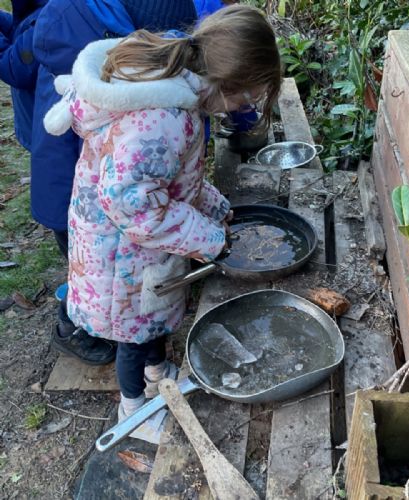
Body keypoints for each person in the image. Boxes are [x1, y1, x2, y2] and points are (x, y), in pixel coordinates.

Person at [44, 4, 281, 443]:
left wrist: (212, 204)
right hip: (121, 255)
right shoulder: (163, 120)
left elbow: (168, 182)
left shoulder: (181, 92)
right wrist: (210, 238)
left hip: (136, 246)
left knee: (150, 319)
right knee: (132, 333)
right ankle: (132, 410)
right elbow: (133, 207)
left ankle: (157, 369)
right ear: (225, 83)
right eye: (246, 98)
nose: (244, 108)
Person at [31, 0, 198, 366]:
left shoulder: (119, 60)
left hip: (88, 196)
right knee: (96, 286)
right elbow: (126, 188)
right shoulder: (123, 85)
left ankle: (111, 334)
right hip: (78, 195)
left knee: (101, 285)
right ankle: (72, 331)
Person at [0, 0, 47, 151]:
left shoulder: (51, 15)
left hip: (48, 135)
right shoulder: (38, 7)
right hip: (38, 125)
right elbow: (20, 31)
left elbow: (15, 68)